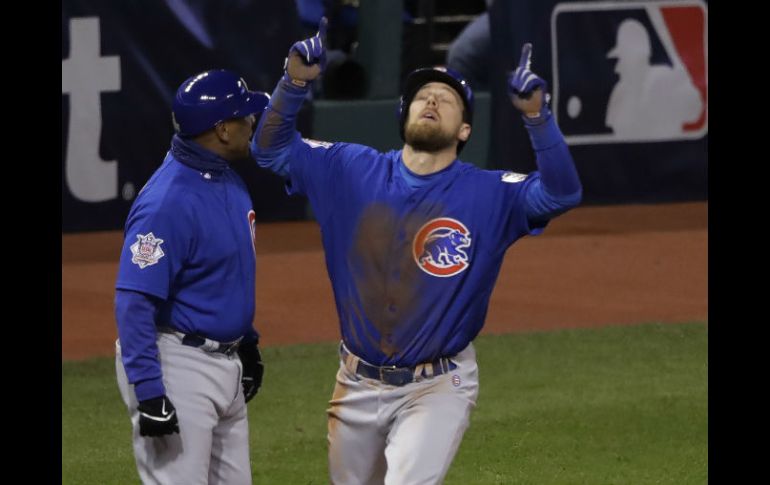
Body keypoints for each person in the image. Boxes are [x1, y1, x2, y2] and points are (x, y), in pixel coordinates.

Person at [253, 18, 582, 484]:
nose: (432, 100)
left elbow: (561, 194)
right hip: (356, 383)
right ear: (402, 116)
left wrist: (537, 117)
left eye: (446, 99)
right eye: (423, 96)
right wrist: (294, 83)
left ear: (464, 130)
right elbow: (269, 150)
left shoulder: (490, 194)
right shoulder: (348, 168)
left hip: (438, 386)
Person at [114, 69, 268, 485]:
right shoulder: (167, 202)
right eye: (244, 116)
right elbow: (133, 301)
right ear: (221, 130)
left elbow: (224, 275)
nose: (252, 121)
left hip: (225, 363)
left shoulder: (226, 180)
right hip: (177, 365)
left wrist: (247, 342)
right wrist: (149, 390)